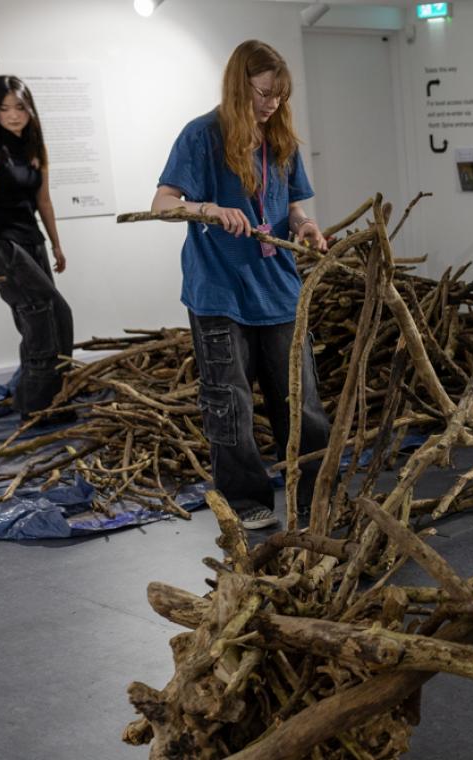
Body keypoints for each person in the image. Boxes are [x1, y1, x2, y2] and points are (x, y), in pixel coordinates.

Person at [151, 40, 330, 530]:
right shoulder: (201, 135)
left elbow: (290, 205)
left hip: (278, 289)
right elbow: (163, 203)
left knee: (302, 400)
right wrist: (208, 208)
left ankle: (315, 493)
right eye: (264, 93)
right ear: (239, 84)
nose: (272, 104)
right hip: (220, 291)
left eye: (280, 95)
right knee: (229, 403)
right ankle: (245, 500)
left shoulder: (281, 138)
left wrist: (304, 226)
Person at [0, 76, 74, 422]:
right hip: (3, 246)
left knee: (45, 323)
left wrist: (56, 245)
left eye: (19, 107)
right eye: (4, 108)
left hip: (32, 243)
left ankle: (47, 398)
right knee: (46, 319)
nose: (13, 115)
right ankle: (38, 408)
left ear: (29, 108)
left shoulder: (36, 149)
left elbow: (45, 202)